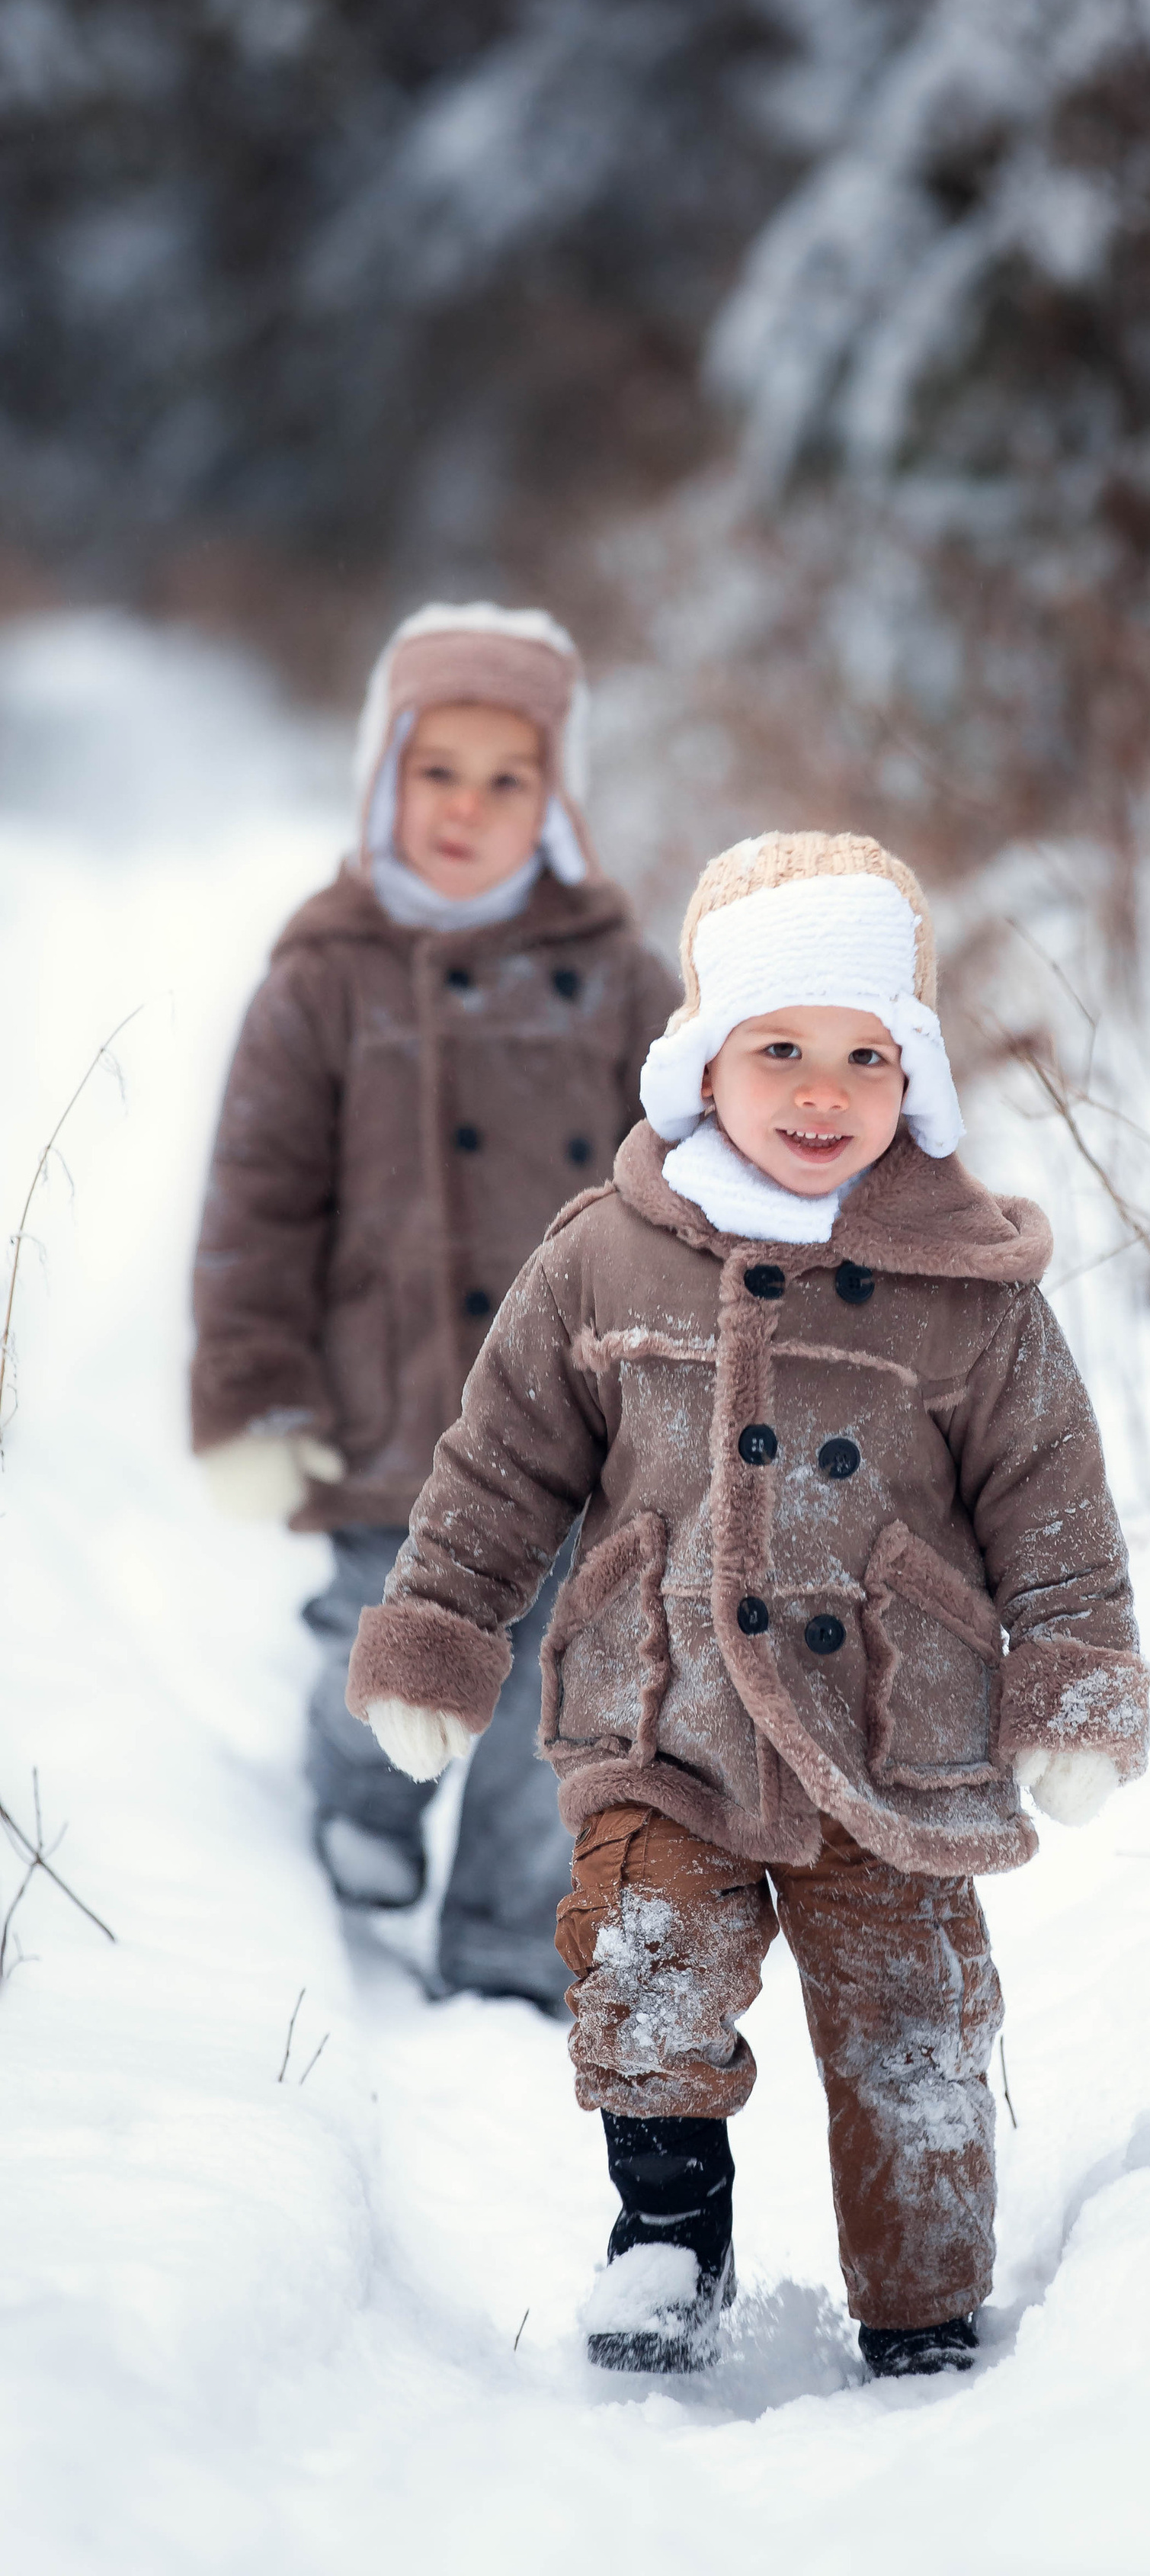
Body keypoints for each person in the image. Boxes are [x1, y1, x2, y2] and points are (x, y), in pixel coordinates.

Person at [343, 829, 1149, 2376]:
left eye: (863, 1055)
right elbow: (499, 1467)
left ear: (912, 1074)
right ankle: (663, 2251)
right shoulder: (607, 1258)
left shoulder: (969, 1291)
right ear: (701, 1058)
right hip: (667, 1716)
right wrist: (441, 1643)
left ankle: (924, 2310)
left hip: (890, 1735)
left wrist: (1075, 1690)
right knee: (642, 1964)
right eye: (777, 1048)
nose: (819, 1092)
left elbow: (1053, 1512)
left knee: (913, 2021)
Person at [191, 601, 679, 2007]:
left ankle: (505, 1931)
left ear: (556, 795)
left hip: (570, 1423)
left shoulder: (614, 977)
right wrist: (255, 1390)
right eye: (436, 772)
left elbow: (675, 1181)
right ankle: (365, 1806)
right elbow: (256, 1203)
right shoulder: (321, 980)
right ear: (381, 776)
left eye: (506, 778)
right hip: (382, 1407)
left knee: (550, 1677)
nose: (467, 808)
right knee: (379, 1628)